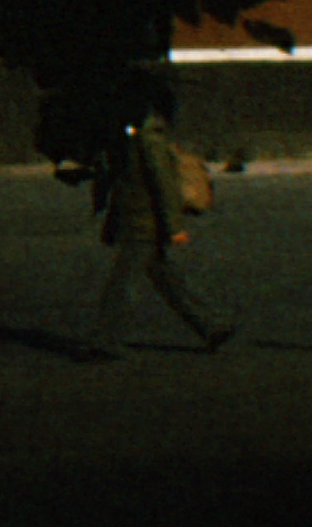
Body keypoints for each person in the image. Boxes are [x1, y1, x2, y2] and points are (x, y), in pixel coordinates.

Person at [77, 73, 234, 359]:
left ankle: (105, 338)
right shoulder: (138, 137)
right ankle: (212, 324)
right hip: (140, 219)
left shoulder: (146, 140)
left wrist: (174, 227)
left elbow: (163, 185)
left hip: (142, 221)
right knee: (164, 275)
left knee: (123, 282)